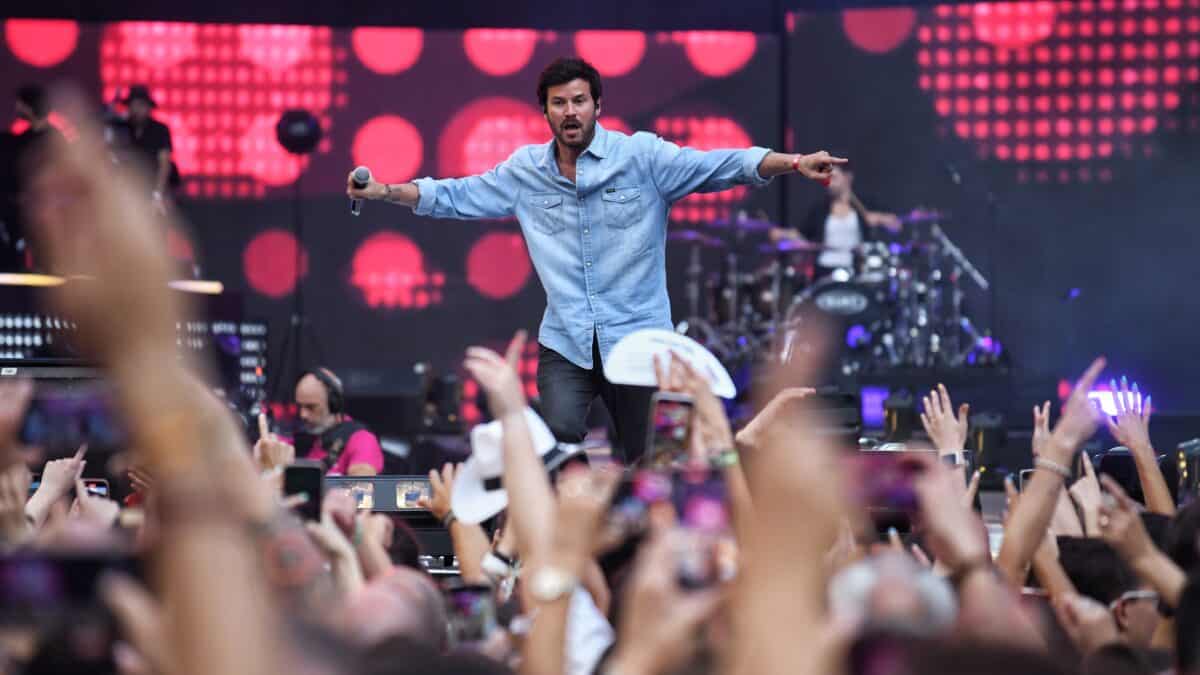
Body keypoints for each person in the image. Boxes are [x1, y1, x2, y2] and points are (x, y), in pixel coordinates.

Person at [346, 57, 844, 462]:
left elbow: (722, 165)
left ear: (597, 106)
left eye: (579, 101)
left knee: (647, 455)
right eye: (558, 103)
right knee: (556, 439)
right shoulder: (525, 172)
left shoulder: (642, 158)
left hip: (641, 340)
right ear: (544, 112)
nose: (570, 111)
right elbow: (455, 195)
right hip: (567, 341)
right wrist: (385, 191)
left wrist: (794, 163)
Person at [771, 164, 901, 276]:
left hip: (855, 270)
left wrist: (879, 218)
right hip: (825, 271)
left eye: (834, 177)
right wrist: (783, 234)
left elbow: (896, 225)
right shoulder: (820, 209)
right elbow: (802, 234)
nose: (829, 182)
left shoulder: (864, 205)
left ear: (848, 177)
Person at [0, 84, 63, 270]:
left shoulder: (54, 141)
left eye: (21, 104)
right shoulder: (19, 141)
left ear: (30, 106)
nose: (17, 108)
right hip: (19, 215)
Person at [293, 367, 384, 476]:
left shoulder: (362, 440)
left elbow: (363, 488)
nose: (303, 415)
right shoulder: (303, 439)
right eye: (300, 407)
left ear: (334, 404)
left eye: (311, 407)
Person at [109, 84, 179, 211]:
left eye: (141, 105)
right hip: (130, 188)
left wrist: (158, 194)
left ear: (148, 107)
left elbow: (164, 163)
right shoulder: (120, 128)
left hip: (155, 185)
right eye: (134, 105)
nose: (138, 110)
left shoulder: (160, 130)